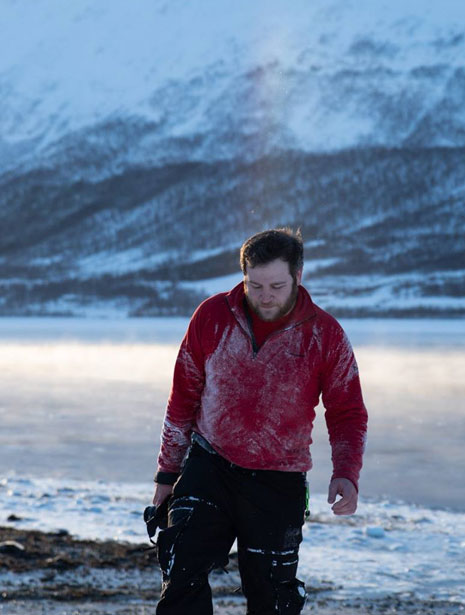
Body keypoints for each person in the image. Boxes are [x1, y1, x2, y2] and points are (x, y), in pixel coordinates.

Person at [150, 228, 368, 614]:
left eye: (276, 286)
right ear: (244, 276)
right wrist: (167, 477)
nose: (265, 296)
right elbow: (182, 399)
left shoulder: (325, 335)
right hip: (209, 465)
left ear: (298, 278)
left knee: (273, 599)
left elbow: (347, 411)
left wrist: (346, 472)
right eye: (255, 285)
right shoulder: (212, 317)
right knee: (180, 571)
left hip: (278, 479)